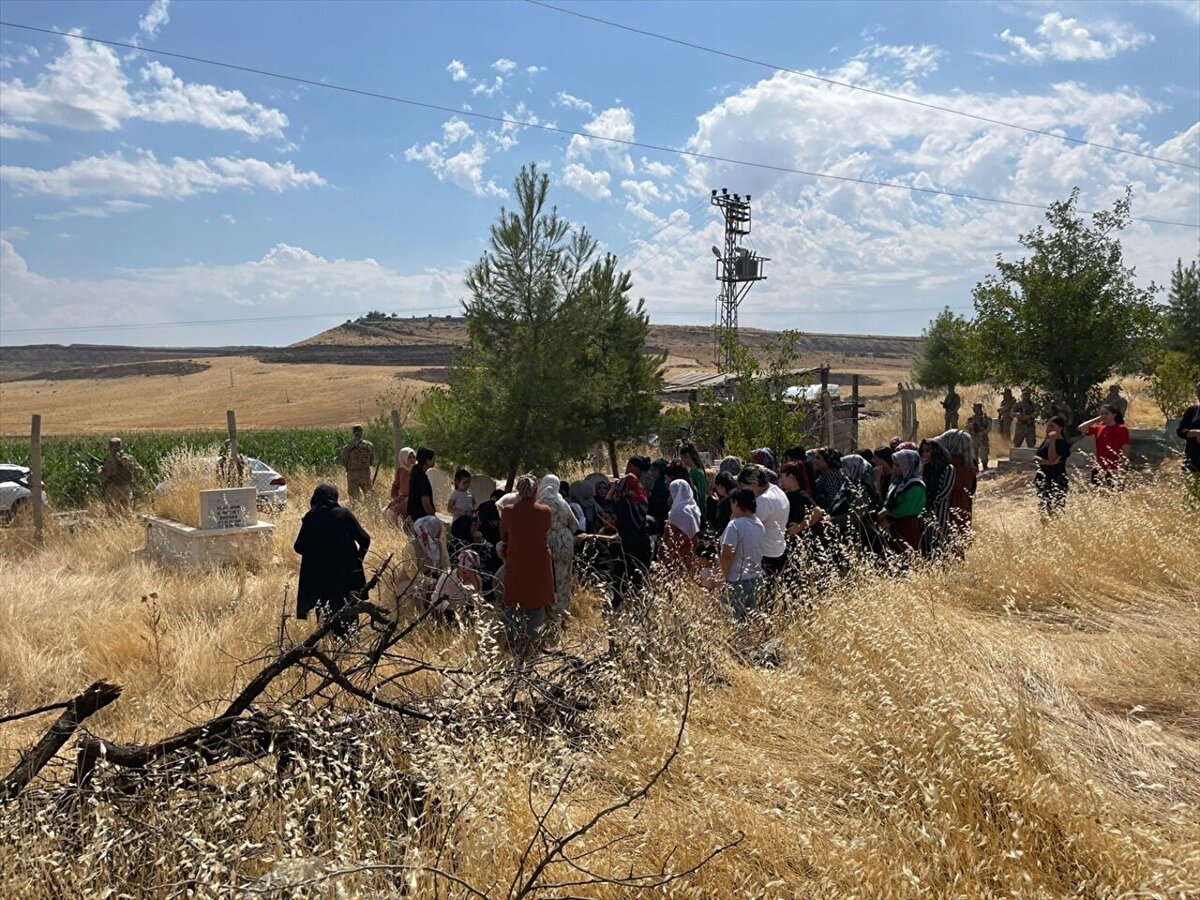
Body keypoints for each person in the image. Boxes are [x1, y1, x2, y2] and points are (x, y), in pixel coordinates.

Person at [294, 483, 370, 637]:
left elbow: (299, 547)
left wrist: (316, 553)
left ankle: (327, 644)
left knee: (325, 618)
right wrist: (357, 561)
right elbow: (365, 540)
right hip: (345, 577)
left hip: (319, 579)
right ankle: (350, 644)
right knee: (348, 620)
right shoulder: (343, 515)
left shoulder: (311, 517)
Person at [497, 474, 555, 654]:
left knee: (514, 598)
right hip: (539, 561)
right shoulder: (545, 511)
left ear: (518, 490)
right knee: (536, 600)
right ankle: (532, 643)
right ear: (536, 490)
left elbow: (504, 536)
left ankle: (512, 643)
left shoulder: (508, 511)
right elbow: (545, 530)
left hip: (517, 560)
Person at [718, 488, 765, 620]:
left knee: (732, 621)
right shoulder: (759, 523)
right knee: (751, 620)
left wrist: (720, 578)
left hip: (736, 580)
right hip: (756, 578)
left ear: (735, 503)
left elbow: (727, 555)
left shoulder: (734, 525)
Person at [737, 465, 789, 580]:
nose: (743, 491)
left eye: (744, 487)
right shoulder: (777, 491)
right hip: (778, 548)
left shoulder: (763, 501)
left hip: (766, 554)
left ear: (754, 483)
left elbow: (744, 526)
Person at [539, 474, 580, 616]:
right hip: (564, 542)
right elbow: (575, 525)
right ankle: (562, 611)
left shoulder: (539, 502)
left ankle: (548, 612)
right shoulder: (562, 502)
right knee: (563, 577)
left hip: (545, 542)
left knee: (546, 577)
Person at [611, 473, 652, 608]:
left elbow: (608, 506)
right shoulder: (642, 501)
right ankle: (641, 603)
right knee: (640, 574)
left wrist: (612, 489)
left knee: (621, 574)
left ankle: (618, 603)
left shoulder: (623, 503)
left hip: (626, 544)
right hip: (642, 542)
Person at [936, 430, 977, 554]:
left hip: (950, 502)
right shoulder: (969, 463)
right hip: (964, 502)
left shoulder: (950, 462)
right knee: (959, 542)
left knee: (946, 540)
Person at [880, 449, 925, 553]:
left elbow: (907, 509)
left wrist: (887, 513)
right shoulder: (897, 482)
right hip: (893, 525)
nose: (894, 468)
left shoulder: (916, 485)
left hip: (907, 526)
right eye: (894, 464)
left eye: (898, 465)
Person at [1079, 404, 1130, 489]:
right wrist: (1097, 419)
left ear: (1113, 415)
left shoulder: (1121, 429)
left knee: (1114, 492)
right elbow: (1081, 428)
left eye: (1106, 414)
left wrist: (1123, 467)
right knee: (1097, 492)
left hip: (1114, 467)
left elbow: (1126, 448)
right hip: (1099, 467)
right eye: (1101, 414)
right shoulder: (1098, 428)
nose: (1103, 416)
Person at [919, 438, 954, 557]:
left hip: (940, 511)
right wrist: (921, 469)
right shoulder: (925, 469)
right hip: (924, 510)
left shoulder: (948, 468)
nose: (924, 454)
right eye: (923, 451)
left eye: (927, 451)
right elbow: (919, 487)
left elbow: (945, 491)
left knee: (939, 541)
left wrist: (933, 505)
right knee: (926, 543)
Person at [660, 478, 701, 579]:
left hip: (678, 549)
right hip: (693, 546)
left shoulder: (678, 510)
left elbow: (671, 532)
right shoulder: (693, 507)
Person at [1034, 416, 1071, 517]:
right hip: (1042, 477)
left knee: (1056, 508)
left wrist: (1053, 440)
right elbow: (1036, 457)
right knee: (1043, 509)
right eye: (1048, 426)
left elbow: (1052, 458)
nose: (1049, 428)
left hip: (1057, 478)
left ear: (1060, 428)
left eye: (1052, 426)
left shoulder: (1063, 444)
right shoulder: (1046, 441)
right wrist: (1047, 462)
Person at [432, 549, 482, 622]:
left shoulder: (476, 579)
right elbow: (435, 601)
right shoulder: (447, 576)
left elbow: (477, 602)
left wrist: (474, 584)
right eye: (464, 572)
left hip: (465, 614)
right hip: (448, 613)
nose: (466, 575)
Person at [97, 437, 143, 513]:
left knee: (112, 512)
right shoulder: (129, 458)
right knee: (127, 512)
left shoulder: (111, 460)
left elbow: (104, 476)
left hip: (114, 489)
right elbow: (140, 470)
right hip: (127, 488)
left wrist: (100, 469)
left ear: (111, 447)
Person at [1177, 381, 1200, 503]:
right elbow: (1181, 431)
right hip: (1191, 460)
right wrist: (1195, 433)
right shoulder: (1191, 411)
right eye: (1198, 391)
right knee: (1190, 498)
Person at [339, 425, 375, 500]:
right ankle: (370, 508)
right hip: (365, 473)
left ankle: (356, 508)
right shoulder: (369, 445)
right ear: (362, 432)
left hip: (353, 474)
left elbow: (343, 462)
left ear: (353, 433)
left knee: (354, 499)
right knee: (369, 497)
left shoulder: (348, 447)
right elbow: (372, 462)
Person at [680, 444, 709, 530]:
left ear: (687, 456)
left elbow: (701, 495)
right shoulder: (692, 470)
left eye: (682, 458)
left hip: (699, 510)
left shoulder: (697, 473)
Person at [811, 448, 848, 515]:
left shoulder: (831, 476)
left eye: (818, 458)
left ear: (827, 460)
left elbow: (832, 500)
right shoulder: (824, 474)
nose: (814, 461)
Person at [411, 515, 448, 581]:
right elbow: (412, 574)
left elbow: (446, 566)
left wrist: (443, 579)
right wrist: (431, 582)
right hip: (415, 582)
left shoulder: (440, 545)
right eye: (436, 528)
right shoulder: (412, 546)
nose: (440, 532)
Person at [386, 447, 416, 526]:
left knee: (393, 511)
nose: (412, 460)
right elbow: (395, 486)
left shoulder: (417, 470)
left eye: (413, 457)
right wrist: (395, 497)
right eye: (409, 457)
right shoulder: (401, 470)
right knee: (386, 511)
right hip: (401, 498)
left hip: (413, 499)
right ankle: (395, 531)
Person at [407, 447, 437, 521]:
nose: (434, 461)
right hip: (422, 518)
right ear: (427, 461)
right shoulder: (421, 478)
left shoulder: (415, 473)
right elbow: (425, 503)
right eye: (433, 458)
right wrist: (434, 519)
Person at [647, 459, 671, 535]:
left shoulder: (661, 485)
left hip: (661, 520)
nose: (652, 473)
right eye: (651, 471)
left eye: (655, 471)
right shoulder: (659, 483)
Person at [967, 403, 993, 471]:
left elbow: (989, 428)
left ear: (979, 409)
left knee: (984, 453)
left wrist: (982, 433)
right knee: (974, 454)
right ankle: (975, 468)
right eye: (973, 408)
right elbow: (967, 426)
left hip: (983, 438)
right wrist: (970, 427)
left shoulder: (986, 418)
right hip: (974, 438)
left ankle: (985, 466)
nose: (974, 410)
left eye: (975, 408)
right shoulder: (971, 418)